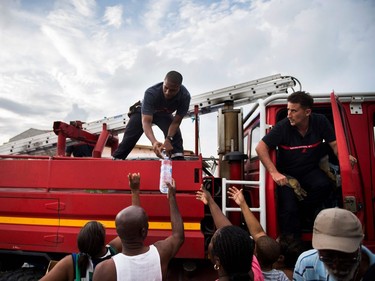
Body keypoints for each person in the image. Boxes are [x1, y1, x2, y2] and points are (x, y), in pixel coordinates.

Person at [255, 91, 356, 238]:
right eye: (288, 109)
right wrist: (274, 173)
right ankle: (292, 245)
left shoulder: (320, 122)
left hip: (310, 170)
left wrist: (345, 157)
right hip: (287, 174)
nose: (289, 114)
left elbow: (334, 145)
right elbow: (260, 148)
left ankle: (305, 216)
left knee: (324, 186)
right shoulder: (283, 126)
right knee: (289, 209)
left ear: (307, 112)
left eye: (293, 110)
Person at [39, 173, 140, 281]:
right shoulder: (113, 252)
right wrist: (135, 191)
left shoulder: (71, 263)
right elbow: (134, 222)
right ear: (103, 241)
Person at [92, 177, 184, 281]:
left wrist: (135, 191)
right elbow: (178, 236)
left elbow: (135, 219)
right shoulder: (160, 253)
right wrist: (171, 197)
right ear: (144, 232)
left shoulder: (105, 270)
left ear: (118, 233)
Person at [112, 70, 191, 160]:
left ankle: (178, 159)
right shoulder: (151, 93)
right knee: (130, 135)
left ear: (179, 88)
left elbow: (176, 122)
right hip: (143, 113)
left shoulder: (185, 96)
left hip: (163, 114)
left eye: (172, 90)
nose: (168, 92)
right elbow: (146, 122)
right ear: (163, 82)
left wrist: (168, 139)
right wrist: (154, 142)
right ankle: (117, 158)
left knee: (175, 135)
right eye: (165, 88)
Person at [196, 186, 263, 281]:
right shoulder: (255, 274)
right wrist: (210, 202)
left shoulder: (254, 271)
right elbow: (232, 236)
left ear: (217, 261)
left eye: (212, 242)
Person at [293, 207, 375, 281]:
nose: (336, 266)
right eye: (328, 258)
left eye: (344, 258)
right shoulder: (307, 264)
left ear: (359, 244)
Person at [226, 186, 290, 281]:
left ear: (255, 255)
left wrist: (242, 204)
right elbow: (259, 234)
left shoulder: (252, 273)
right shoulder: (281, 276)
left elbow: (259, 234)